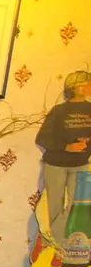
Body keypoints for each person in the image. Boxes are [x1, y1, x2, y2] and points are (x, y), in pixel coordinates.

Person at [36, 70, 91, 244]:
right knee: (54, 206)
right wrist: (67, 147)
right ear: (75, 87)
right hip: (55, 164)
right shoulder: (59, 111)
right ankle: (57, 245)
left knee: (78, 205)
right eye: (86, 83)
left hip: (81, 164)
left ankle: (55, 238)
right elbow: (42, 138)